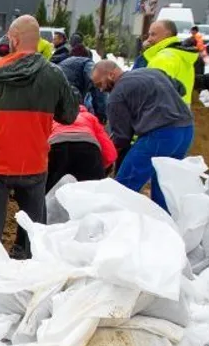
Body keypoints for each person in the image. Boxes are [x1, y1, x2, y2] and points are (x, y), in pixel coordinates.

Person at [0, 15, 79, 259]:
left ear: (14, 40)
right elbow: (69, 115)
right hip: (33, 162)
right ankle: (26, 267)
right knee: (33, 229)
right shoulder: (54, 74)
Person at [92, 60, 193, 211]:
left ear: (111, 75)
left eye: (100, 84)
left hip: (159, 134)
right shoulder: (152, 72)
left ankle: (114, 223)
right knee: (163, 181)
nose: (100, 90)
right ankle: (163, 223)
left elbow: (122, 137)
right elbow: (181, 88)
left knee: (125, 185)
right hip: (186, 129)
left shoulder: (117, 95)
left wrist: (107, 159)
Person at [47, 105, 115, 191]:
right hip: (88, 148)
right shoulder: (89, 117)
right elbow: (107, 148)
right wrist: (103, 166)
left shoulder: (51, 117)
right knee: (93, 193)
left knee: (52, 191)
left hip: (56, 147)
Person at [140, 19, 199, 105]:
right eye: (149, 35)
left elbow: (156, 92)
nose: (149, 39)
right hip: (180, 110)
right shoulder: (179, 54)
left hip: (163, 112)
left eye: (153, 34)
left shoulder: (164, 58)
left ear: (167, 35)